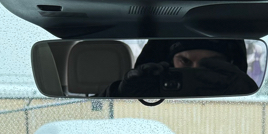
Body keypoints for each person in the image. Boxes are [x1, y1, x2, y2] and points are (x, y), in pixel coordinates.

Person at [101, 38, 258, 97]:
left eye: (209, 64)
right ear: (169, 64)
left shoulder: (234, 91)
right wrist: (120, 93)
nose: (195, 71)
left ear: (229, 66)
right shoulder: (149, 88)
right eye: (185, 61)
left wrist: (245, 90)